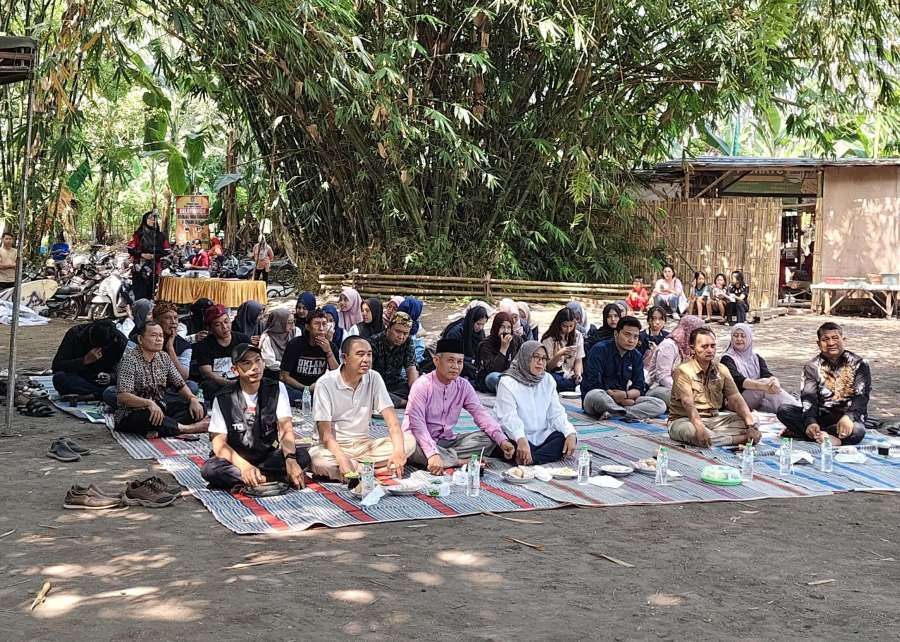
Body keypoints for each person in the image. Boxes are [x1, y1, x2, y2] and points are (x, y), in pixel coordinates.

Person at [200, 343, 309, 490]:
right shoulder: (223, 397)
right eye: (247, 363)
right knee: (210, 469)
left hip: (267, 456)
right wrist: (245, 467)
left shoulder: (276, 388)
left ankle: (253, 479)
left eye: (258, 360)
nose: (255, 367)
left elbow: (286, 430)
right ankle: (270, 478)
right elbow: (219, 444)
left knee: (302, 456)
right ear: (235, 370)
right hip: (237, 460)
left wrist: (290, 460)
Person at [309, 336, 416, 480]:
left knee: (409, 441)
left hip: (364, 446)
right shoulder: (325, 383)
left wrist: (398, 452)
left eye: (369, 354)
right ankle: (374, 470)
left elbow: (393, 422)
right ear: (344, 358)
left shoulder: (374, 378)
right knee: (318, 460)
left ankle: (359, 470)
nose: (366, 359)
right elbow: (325, 435)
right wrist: (341, 458)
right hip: (333, 448)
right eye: (360, 354)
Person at [404, 338, 515, 474]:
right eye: (450, 360)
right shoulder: (421, 385)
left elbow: (481, 414)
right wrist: (432, 453)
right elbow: (417, 424)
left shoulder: (463, 386)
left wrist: (502, 440)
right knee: (407, 446)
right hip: (419, 441)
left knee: (488, 439)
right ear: (436, 361)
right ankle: (457, 461)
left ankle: (443, 459)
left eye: (459, 361)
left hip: (447, 441)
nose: (456, 366)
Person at [776, 322, 869, 446]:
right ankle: (825, 436)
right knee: (783, 410)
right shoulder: (811, 366)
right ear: (819, 344)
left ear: (844, 340)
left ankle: (816, 435)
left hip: (847, 417)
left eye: (835, 338)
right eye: (825, 339)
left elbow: (861, 397)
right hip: (820, 416)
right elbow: (809, 398)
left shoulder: (859, 364)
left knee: (858, 431)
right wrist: (810, 422)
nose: (831, 343)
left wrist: (849, 417)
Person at [668, 327, 761, 447]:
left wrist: (750, 426)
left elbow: (736, 398)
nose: (710, 350)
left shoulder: (722, 369)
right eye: (704, 346)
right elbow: (688, 404)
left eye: (713, 346)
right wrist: (700, 428)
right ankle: (740, 439)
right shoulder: (683, 371)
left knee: (753, 419)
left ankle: (718, 437)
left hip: (714, 420)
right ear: (692, 349)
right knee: (693, 433)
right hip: (685, 419)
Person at [114, 321, 209, 437]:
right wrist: (148, 403)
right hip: (133, 412)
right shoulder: (129, 360)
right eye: (154, 335)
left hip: (160, 407)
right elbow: (123, 396)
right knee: (149, 417)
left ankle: (167, 426)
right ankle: (186, 428)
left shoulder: (163, 357)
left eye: (161, 336)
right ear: (140, 339)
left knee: (199, 408)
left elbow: (180, 384)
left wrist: (192, 399)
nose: (159, 339)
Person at [495, 341, 578, 465]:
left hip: (541, 436)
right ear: (525, 357)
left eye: (544, 358)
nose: (540, 362)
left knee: (564, 438)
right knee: (505, 445)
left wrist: (570, 433)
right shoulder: (507, 382)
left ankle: (530, 459)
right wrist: (521, 439)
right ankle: (528, 456)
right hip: (515, 436)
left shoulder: (548, 380)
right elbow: (508, 418)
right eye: (536, 357)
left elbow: (556, 413)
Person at [581, 317, 667, 421]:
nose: (631, 340)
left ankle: (617, 413)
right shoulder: (599, 350)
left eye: (635, 337)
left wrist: (626, 395)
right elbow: (593, 383)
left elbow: (639, 387)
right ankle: (622, 411)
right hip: (600, 398)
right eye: (627, 335)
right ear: (616, 334)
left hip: (625, 398)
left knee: (660, 405)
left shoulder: (636, 356)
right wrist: (619, 399)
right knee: (595, 396)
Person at [720, 323, 797, 413]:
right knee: (765, 384)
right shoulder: (727, 358)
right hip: (735, 401)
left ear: (749, 338)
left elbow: (767, 374)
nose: (739, 339)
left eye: (743, 336)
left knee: (779, 408)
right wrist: (764, 386)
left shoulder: (756, 358)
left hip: (754, 399)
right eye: (735, 336)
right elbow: (738, 380)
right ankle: (799, 410)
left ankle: (797, 412)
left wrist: (775, 381)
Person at [52, 319, 127, 402]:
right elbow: (57, 366)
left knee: (126, 387)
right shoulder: (75, 333)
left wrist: (111, 377)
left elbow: (130, 371)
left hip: (107, 383)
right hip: (82, 379)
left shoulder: (118, 339)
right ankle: (100, 395)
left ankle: (92, 396)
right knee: (59, 378)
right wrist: (84, 361)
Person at [280, 308, 339, 403]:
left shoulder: (330, 346)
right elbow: (284, 376)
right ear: (308, 327)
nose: (321, 328)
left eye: (324, 324)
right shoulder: (295, 344)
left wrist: (328, 352)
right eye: (316, 324)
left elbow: (337, 374)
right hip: (296, 388)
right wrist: (306, 389)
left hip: (319, 388)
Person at [193, 304, 251, 400]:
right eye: (218, 324)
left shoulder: (243, 339)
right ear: (210, 328)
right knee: (208, 386)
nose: (225, 327)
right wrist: (228, 383)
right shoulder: (204, 345)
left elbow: (252, 362)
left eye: (226, 321)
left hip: (241, 378)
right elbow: (207, 373)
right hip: (218, 382)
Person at [645, 315, 706, 405]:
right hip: (660, 388)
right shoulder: (669, 346)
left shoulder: (687, 348)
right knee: (687, 400)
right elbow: (663, 378)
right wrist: (686, 390)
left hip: (681, 387)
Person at [368, 311, 418, 407]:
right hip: (376, 386)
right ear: (388, 327)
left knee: (420, 388)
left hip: (396, 386)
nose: (401, 337)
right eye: (398, 331)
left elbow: (411, 367)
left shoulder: (408, 342)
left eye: (405, 333)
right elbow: (367, 376)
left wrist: (416, 393)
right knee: (371, 393)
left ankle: (402, 402)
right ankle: (405, 403)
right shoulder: (373, 343)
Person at [151, 301, 196, 397]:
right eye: (168, 318)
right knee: (111, 391)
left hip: (170, 386)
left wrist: (170, 348)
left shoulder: (184, 345)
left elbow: (183, 377)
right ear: (156, 321)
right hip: (144, 384)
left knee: (192, 386)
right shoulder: (140, 338)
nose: (173, 322)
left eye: (175, 318)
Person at [126, 211, 170, 301]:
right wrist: (142, 254)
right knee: (139, 293)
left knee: (151, 294)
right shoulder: (138, 234)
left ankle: (149, 313)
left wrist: (154, 256)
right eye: (149, 218)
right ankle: (139, 313)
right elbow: (130, 249)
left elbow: (166, 251)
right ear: (145, 219)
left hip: (154, 268)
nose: (152, 220)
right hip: (139, 268)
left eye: (154, 218)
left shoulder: (160, 236)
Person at [475, 311, 522, 393]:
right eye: (502, 327)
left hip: (513, 376)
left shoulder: (516, 340)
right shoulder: (486, 344)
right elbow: (491, 370)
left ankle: (514, 390)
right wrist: (503, 349)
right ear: (496, 327)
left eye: (509, 327)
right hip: (496, 376)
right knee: (492, 378)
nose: (506, 331)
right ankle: (515, 390)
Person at [541, 307, 584, 392]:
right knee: (554, 380)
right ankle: (573, 386)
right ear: (559, 324)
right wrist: (559, 354)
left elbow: (579, 360)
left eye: (571, 326)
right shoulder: (549, 339)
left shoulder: (578, 336)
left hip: (570, 373)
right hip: (555, 373)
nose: (568, 329)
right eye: (565, 326)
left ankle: (575, 384)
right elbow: (547, 367)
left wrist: (578, 374)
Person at [440, 305, 488, 380]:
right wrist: (471, 360)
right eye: (478, 324)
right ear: (472, 321)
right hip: (454, 359)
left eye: (483, 324)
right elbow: (450, 354)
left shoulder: (480, 333)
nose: (480, 328)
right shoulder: (456, 332)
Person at [259, 307, 297, 377]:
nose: (293, 326)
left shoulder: (295, 331)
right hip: (276, 374)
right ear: (279, 323)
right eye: (289, 322)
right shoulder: (267, 338)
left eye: (293, 321)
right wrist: (288, 366)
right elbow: (270, 363)